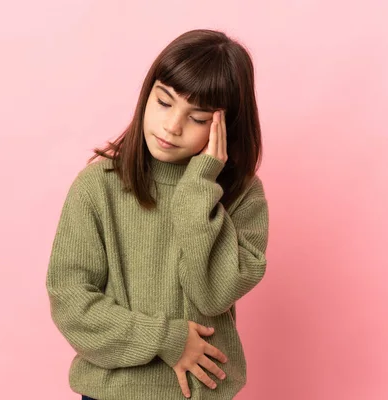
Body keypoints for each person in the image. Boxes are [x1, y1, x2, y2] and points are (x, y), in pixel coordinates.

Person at [46, 28, 269, 400]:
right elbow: (70, 301)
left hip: (204, 393)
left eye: (197, 118)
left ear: (224, 127)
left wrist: (199, 187)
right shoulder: (98, 185)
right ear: (147, 93)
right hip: (110, 393)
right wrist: (166, 338)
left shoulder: (243, 195)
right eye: (164, 102)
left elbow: (213, 294)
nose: (172, 126)